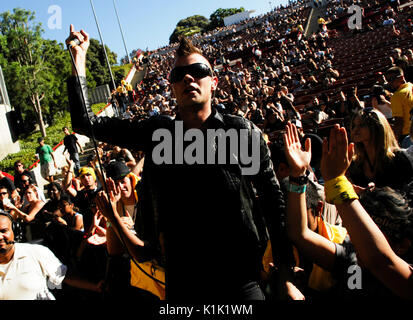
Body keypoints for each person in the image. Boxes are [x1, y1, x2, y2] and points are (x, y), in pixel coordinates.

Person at [66, 25, 294, 300]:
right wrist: (79, 59)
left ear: (214, 81)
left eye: (198, 72)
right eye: (179, 75)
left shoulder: (240, 133)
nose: (188, 78)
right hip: (183, 281)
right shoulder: (157, 134)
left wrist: (285, 274)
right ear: (172, 86)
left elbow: (272, 201)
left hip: (240, 278)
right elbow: (86, 123)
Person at [283, 122, 413, 299]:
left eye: (377, 230)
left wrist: (336, 181)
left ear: (402, 246)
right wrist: (297, 175)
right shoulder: (352, 259)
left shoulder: (407, 281)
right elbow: (300, 233)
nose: (359, 235)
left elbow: (380, 260)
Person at [347, 108, 413, 193]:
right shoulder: (355, 163)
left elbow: (408, 193)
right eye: (354, 126)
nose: (355, 130)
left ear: (377, 127)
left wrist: (378, 192)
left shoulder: (399, 158)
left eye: (362, 125)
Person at [385, 67, 413, 143]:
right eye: (387, 81)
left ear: (401, 77)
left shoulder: (397, 96)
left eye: (391, 79)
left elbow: (399, 122)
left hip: (408, 136)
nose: (389, 83)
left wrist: (395, 141)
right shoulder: (411, 86)